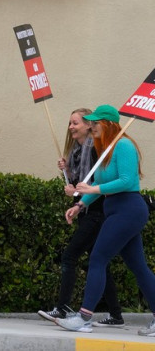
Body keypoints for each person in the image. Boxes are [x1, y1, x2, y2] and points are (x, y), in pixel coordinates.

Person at [55, 105, 155, 337]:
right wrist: (80, 205)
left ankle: (83, 318)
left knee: (98, 258)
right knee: (138, 266)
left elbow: (127, 180)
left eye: (95, 122)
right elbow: (98, 186)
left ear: (108, 124)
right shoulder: (105, 149)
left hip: (128, 210)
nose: (92, 126)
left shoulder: (124, 145)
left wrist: (92, 189)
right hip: (118, 211)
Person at [37, 108, 123, 327]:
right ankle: (116, 315)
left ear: (87, 125)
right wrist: (67, 172)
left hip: (96, 212)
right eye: (70, 123)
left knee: (70, 256)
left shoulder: (96, 149)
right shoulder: (77, 151)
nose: (71, 127)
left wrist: (76, 194)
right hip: (86, 210)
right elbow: (80, 182)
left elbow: (95, 184)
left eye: (75, 123)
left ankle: (63, 307)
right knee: (100, 262)